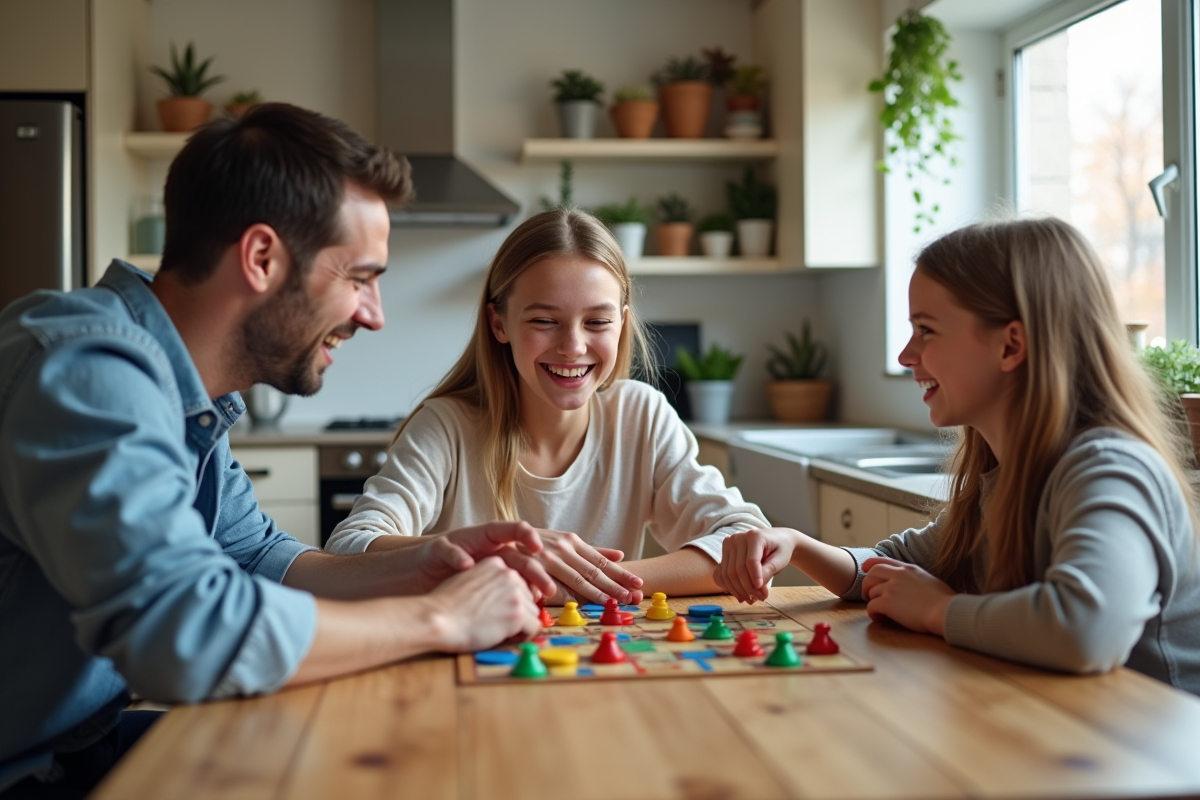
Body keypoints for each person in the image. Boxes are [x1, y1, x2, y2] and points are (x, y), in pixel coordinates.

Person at [0, 104, 556, 798]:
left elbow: (260, 557)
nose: (374, 314)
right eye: (360, 277)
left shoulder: (188, 397)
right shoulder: (88, 371)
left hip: (78, 745)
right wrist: (440, 619)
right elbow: (188, 634)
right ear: (261, 257)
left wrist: (424, 568)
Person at [714, 217, 1200, 693]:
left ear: (1011, 345)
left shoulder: (1109, 468)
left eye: (926, 330)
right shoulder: (1006, 474)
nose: (907, 355)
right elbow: (895, 567)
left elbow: (1085, 631)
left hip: (1154, 757)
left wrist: (937, 611)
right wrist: (795, 544)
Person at [324, 208, 769, 604]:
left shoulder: (642, 415)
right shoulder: (447, 426)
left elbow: (747, 541)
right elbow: (349, 547)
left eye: (597, 321)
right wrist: (492, 550)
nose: (573, 347)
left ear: (622, 324)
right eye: (544, 321)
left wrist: (581, 580)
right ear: (499, 323)